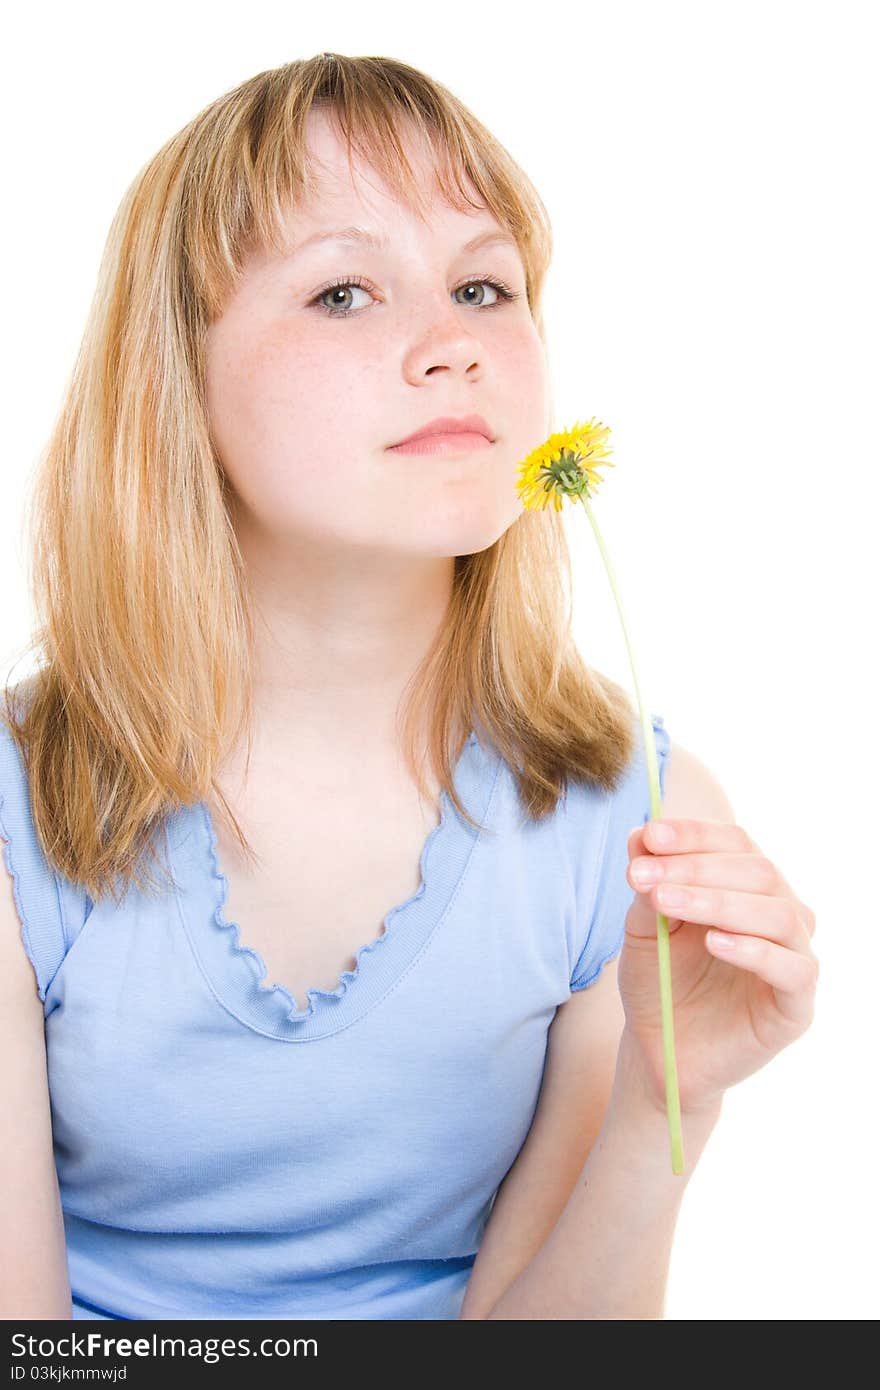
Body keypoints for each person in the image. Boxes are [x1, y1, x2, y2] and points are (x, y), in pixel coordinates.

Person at [0, 52, 817, 1322]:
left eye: (483, 285)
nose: (452, 346)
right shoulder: (17, 807)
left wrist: (674, 1103)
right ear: (177, 382)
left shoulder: (637, 824)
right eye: (342, 291)